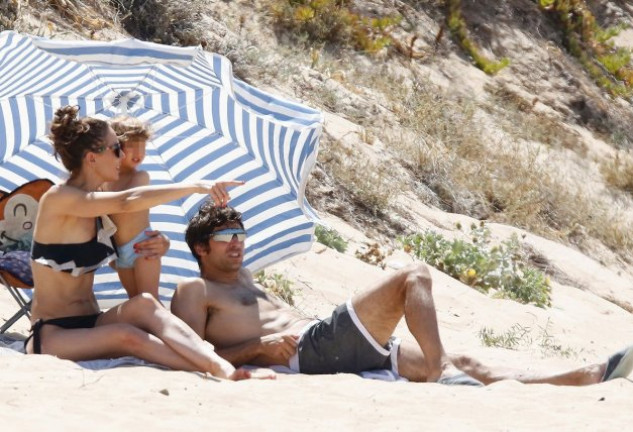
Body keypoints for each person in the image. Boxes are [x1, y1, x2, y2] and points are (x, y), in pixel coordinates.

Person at [171, 203, 633, 385]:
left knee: (468, 363)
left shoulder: (246, 277)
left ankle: (588, 375)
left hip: (326, 343)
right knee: (413, 275)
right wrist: (255, 348)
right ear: (199, 248)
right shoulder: (195, 288)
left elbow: (225, 228)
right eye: (225, 236)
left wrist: (217, 205)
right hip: (311, 351)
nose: (237, 241)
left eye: (239, 233)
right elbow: (191, 353)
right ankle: (438, 372)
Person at [25, 105, 273, 381]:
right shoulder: (58, 198)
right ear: (93, 158)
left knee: (144, 303)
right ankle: (219, 369)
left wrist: (161, 243)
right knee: (127, 335)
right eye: (116, 148)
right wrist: (197, 186)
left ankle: (219, 365)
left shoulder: (98, 203)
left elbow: (130, 232)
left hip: (93, 320)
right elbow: (127, 200)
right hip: (52, 332)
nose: (123, 154)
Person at [105, 115, 159, 300]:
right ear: (116, 147)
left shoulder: (141, 176)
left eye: (142, 146)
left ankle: (161, 328)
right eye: (131, 146)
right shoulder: (106, 179)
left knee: (149, 299)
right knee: (135, 300)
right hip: (119, 251)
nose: (138, 152)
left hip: (142, 246)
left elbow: (127, 202)